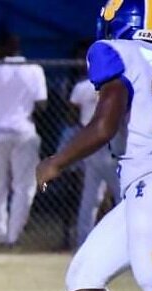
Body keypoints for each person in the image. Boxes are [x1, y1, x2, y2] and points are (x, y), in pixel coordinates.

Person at [36, 1, 152, 291]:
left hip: (148, 181)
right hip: (140, 186)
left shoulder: (112, 51)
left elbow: (104, 124)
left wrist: (57, 160)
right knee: (84, 274)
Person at [0, 34, 47, 246]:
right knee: (23, 186)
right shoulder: (34, 70)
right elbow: (42, 103)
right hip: (23, 130)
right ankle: (13, 236)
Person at [69, 75, 121, 247]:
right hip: (112, 140)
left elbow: (72, 114)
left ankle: (83, 242)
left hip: (89, 140)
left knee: (90, 196)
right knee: (123, 194)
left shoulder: (83, 86)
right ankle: (129, 241)